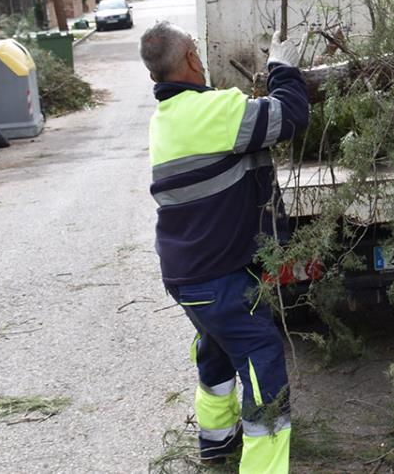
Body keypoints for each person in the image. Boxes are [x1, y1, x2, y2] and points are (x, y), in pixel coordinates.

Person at [140, 23, 310, 473]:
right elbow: (289, 117)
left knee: (216, 347)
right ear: (193, 59)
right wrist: (283, 68)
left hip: (188, 274)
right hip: (217, 275)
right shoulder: (211, 112)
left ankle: (216, 441)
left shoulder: (167, 119)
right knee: (262, 360)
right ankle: (263, 467)